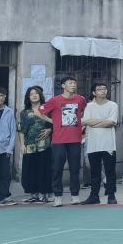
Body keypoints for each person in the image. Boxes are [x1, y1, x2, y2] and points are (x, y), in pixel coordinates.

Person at [39, 75, 88, 206]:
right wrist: (53, 122)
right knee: (57, 168)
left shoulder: (81, 99)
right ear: (63, 86)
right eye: (70, 83)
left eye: (74, 83)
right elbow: (39, 112)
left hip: (75, 139)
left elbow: (84, 112)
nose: (73, 85)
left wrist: (82, 124)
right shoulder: (55, 100)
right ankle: (57, 196)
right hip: (59, 140)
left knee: (75, 168)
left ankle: (75, 195)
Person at [82, 82, 119, 205]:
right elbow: (86, 121)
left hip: (108, 144)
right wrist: (103, 121)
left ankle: (111, 196)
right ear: (94, 92)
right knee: (94, 172)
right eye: (99, 89)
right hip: (93, 144)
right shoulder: (89, 106)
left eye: (104, 89)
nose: (103, 91)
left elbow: (111, 122)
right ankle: (94, 196)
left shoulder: (113, 105)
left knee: (110, 171)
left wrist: (94, 123)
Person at [18, 86, 52, 203]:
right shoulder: (24, 112)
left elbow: (55, 123)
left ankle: (44, 194)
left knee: (44, 169)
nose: (34, 95)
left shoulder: (47, 109)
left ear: (40, 95)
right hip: (29, 146)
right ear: (28, 97)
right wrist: (22, 145)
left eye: (36, 93)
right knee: (29, 170)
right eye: (31, 94)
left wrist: (50, 130)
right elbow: (21, 130)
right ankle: (33, 194)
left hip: (44, 145)